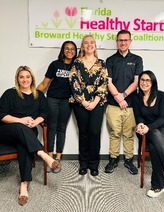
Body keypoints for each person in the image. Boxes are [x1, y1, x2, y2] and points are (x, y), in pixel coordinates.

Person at [0, 66, 60, 206]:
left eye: (28, 76)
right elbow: (2, 115)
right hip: (7, 131)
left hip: (28, 132)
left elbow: (44, 114)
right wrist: (20, 120)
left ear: (32, 78)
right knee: (21, 129)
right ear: (17, 79)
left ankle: (24, 185)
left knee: (24, 145)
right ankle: (43, 154)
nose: (25, 79)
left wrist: (35, 122)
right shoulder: (10, 93)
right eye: (21, 77)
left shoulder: (38, 95)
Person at [133, 70, 164, 197]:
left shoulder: (161, 95)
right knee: (154, 136)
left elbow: (162, 118)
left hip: (163, 129)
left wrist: (149, 127)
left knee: (155, 145)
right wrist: (140, 124)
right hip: (146, 131)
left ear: (153, 82)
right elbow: (138, 117)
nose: (144, 82)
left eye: (147, 80)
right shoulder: (137, 98)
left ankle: (158, 186)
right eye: (142, 80)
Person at [105, 30, 143, 175]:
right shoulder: (110, 60)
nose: (123, 42)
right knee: (115, 133)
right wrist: (118, 97)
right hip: (113, 104)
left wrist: (124, 95)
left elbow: (137, 81)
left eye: (126, 40)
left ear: (130, 41)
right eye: (120, 40)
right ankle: (113, 159)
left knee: (128, 134)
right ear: (116, 41)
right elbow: (108, 82)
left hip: (131, 104)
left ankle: (128, 160)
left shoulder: (137, 59)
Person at [69, 35, 108, 176]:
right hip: (80, 104)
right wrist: (84, 102)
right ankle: (83, 164)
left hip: (98, 103)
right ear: (83, 46)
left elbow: (104, 84)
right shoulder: (76, 63)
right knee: (84, 133)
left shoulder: (101, 64)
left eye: (92, 42)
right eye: (86, 43)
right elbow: (74, 84)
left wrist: (95, 102)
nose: (89, 45)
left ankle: (94, 164)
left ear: (95, 46)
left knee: (95, 133)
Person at [37, 41, 77, 173]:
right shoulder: (55, 65)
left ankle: (58, 158)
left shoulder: (77, 65)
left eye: (72, 49)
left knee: (61, 128)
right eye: (67, 48)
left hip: (67, 101)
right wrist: (33, 96)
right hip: (52, 99)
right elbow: (44, 84)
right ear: (62, 50)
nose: (69, 51)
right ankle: (50, 158)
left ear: (75, 51)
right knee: (51, 128)